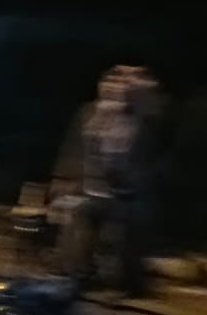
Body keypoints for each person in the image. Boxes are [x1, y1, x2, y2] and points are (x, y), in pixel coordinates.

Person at [51, 64, 162, 297]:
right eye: (111, 80)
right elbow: (75, 148)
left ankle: (126, 282)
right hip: (92, 189)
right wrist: (65, 178)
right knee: (81, 226)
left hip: (126, 193)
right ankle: (79, 274)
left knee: (122, 234)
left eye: (122, 82)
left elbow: (143, 158)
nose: (114, 86)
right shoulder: (90, 114)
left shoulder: (140, 117)